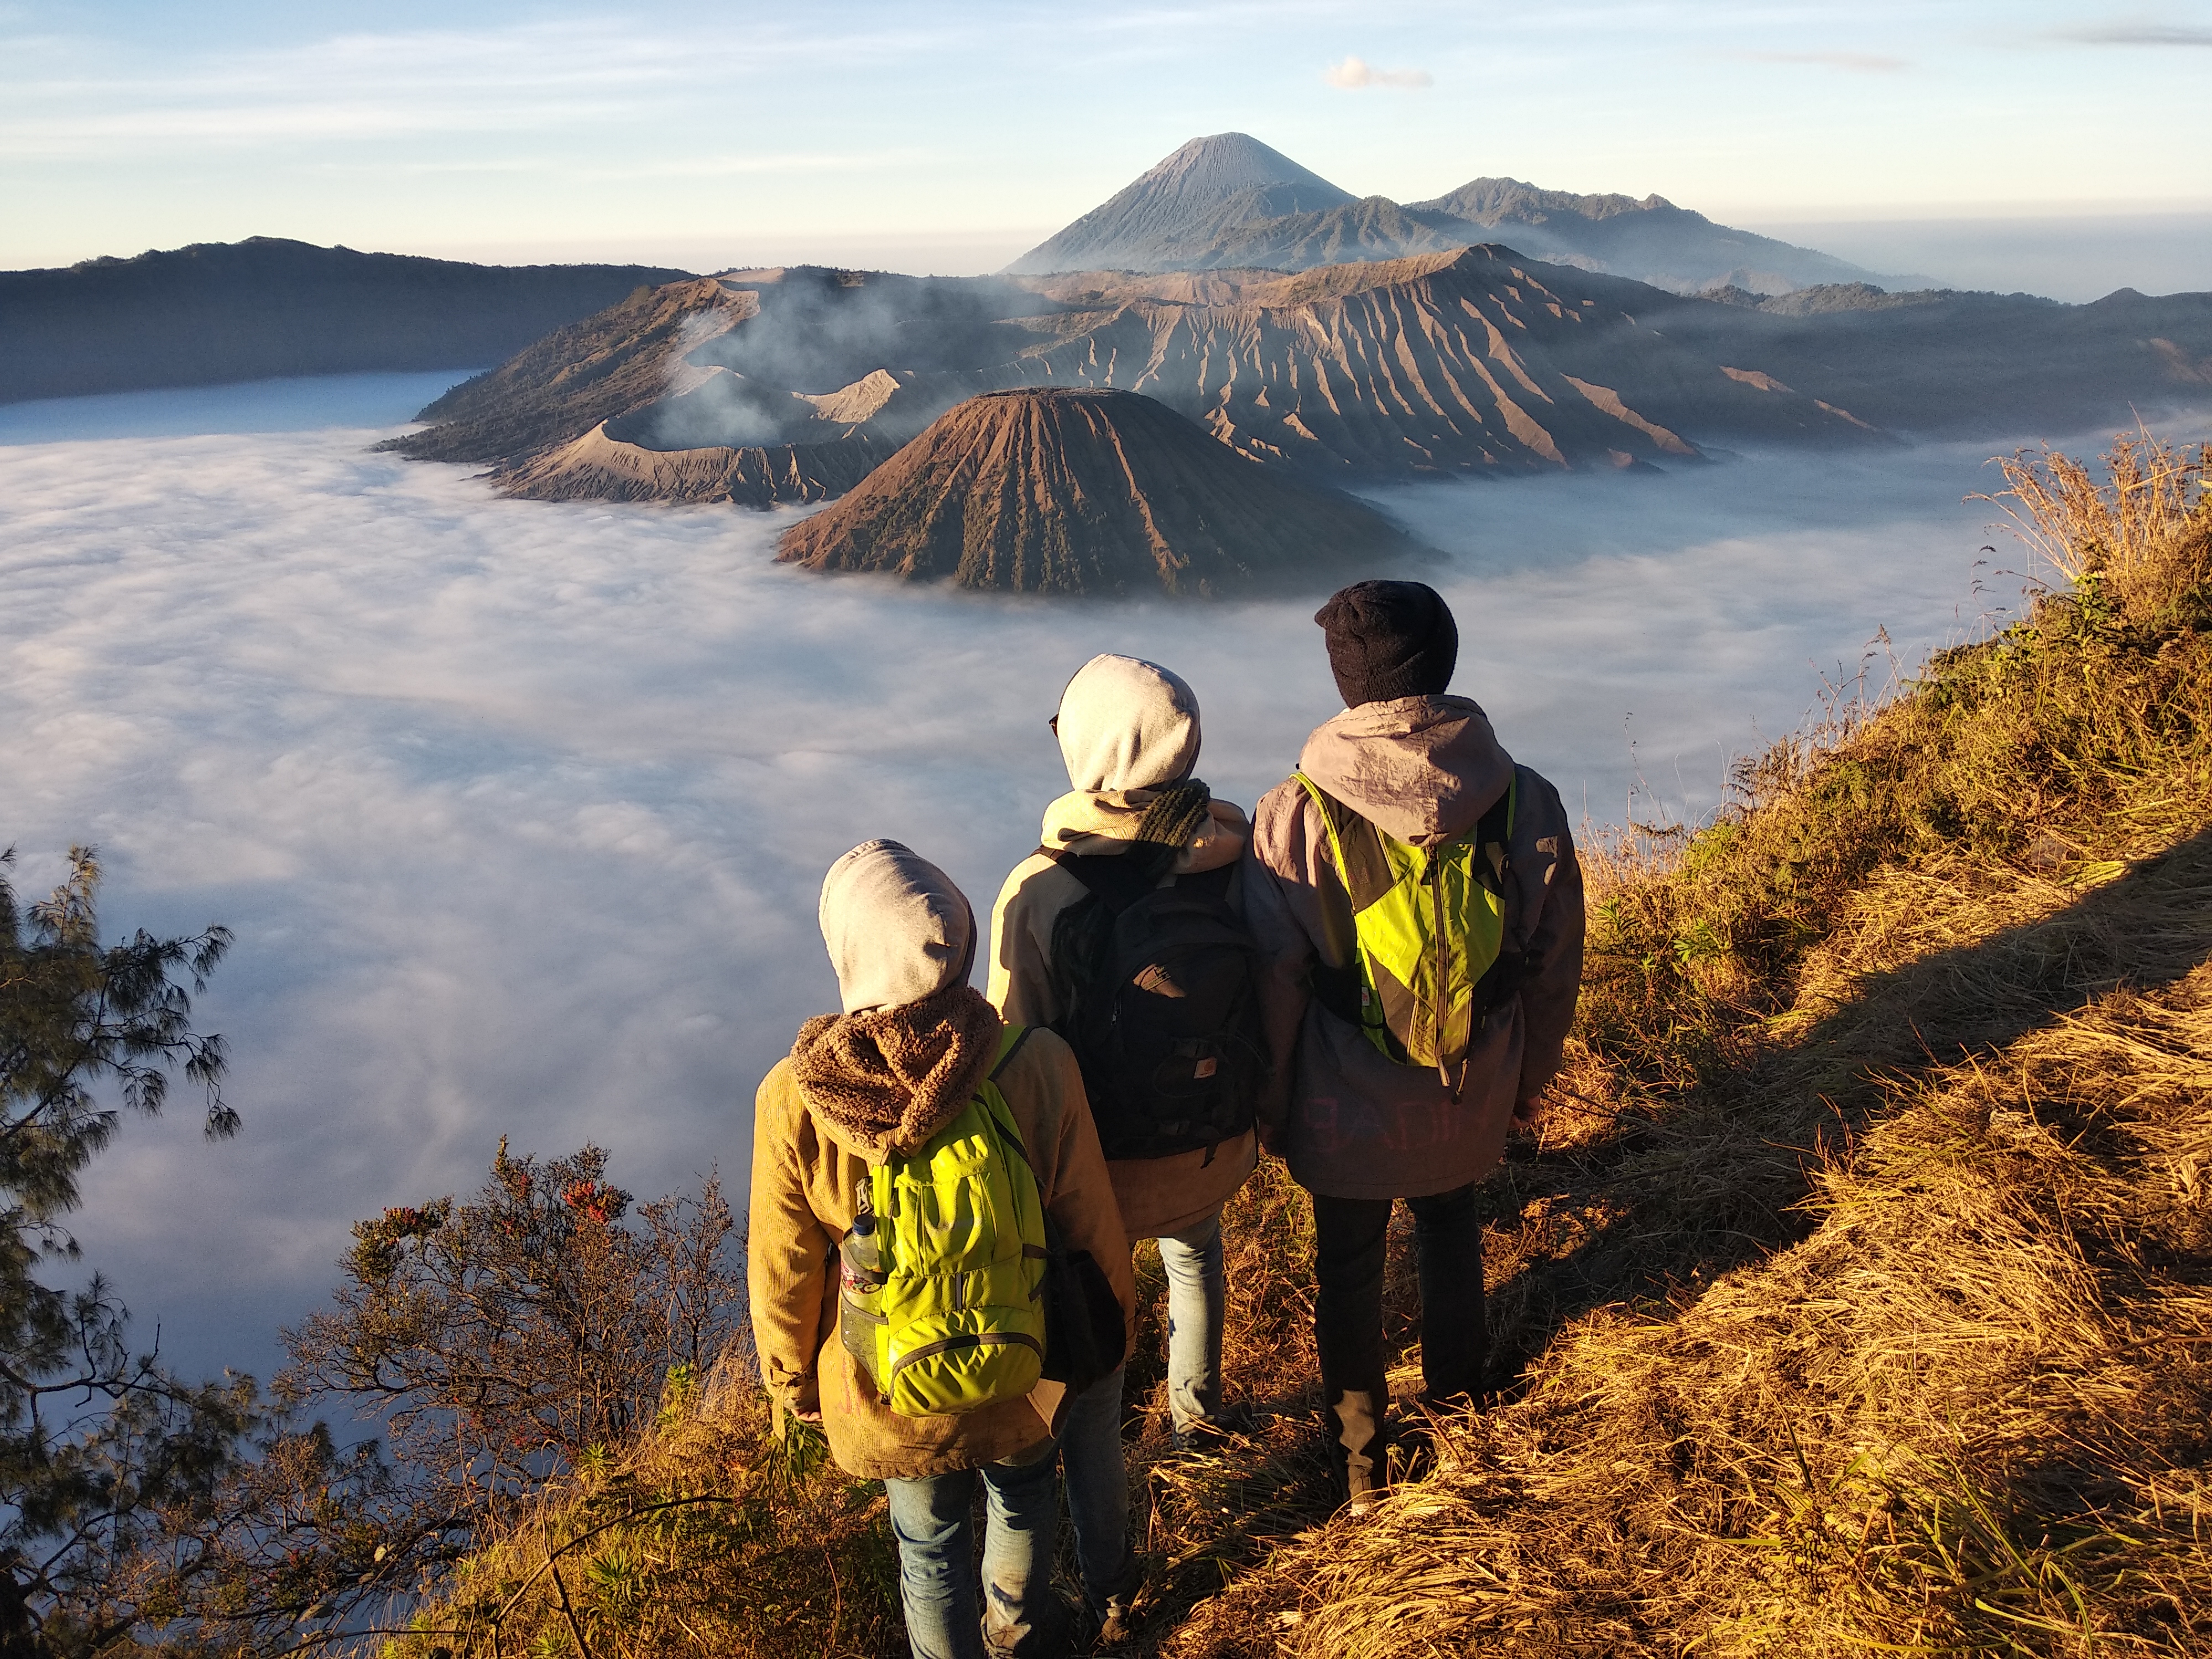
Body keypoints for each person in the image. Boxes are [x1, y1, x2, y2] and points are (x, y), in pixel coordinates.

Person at [1243, 581, 1585, 1511]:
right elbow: (1553, 966)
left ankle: (1362, 1465)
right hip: (1469, 1085)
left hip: (1337, 1102)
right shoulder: (1527, 799)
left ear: (1346, 680)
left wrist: (1272, 1108)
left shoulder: (1289, 818)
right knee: (1450, 1229)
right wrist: (1529, 1080)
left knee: (1348, 1271)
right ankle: (1462, 1406)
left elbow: (1276, 985)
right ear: (1444, 662)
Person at [749, 839, 1135, 1659]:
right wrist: (1113, 1331)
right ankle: (1017, 1640)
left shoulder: (797, 1096)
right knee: (1024, 1504)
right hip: (1022, 1356)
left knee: (926, 1551)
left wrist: (792, 1384)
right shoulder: (1032, 1063)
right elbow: (1088, 1221)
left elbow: (785, 1268)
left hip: (882, 1386)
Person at [986, 654, 1262, 1635]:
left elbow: (1015, 1056)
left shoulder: (1043, 892)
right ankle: (1200, 1418)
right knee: (1196, 1255)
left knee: (1095, 1388)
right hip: (1213, 1150)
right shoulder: (1238, 855)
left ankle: (1111, 1581)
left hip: (1097, 1178)